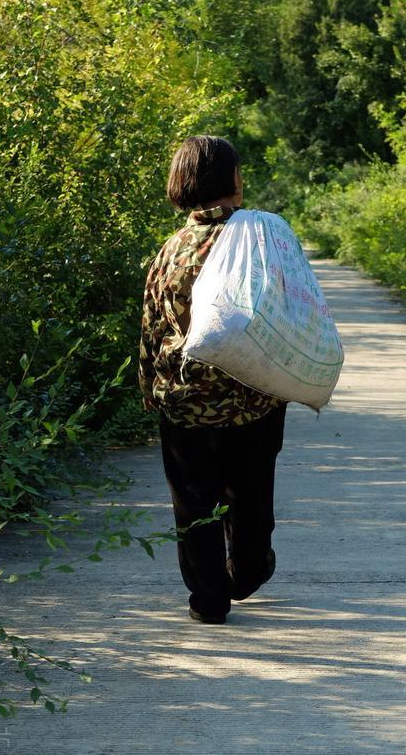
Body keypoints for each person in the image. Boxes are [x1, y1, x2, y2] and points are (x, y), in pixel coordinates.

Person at [138, 135, 288, 625]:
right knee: (251, 494)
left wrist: (149, 389)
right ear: (231, 179)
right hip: (254, 397)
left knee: (194, 502)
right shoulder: (259, 240)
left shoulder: (171, 250)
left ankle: (209, 598)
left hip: (186, 402)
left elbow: (153, 326)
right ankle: (246, 572)